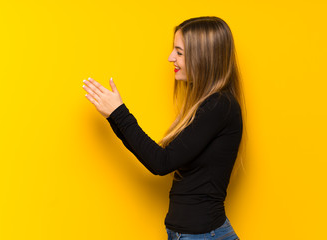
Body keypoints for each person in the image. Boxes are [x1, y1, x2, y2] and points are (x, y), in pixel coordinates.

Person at [82, 16, 243, 240]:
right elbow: (158, 157)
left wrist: (120, 113)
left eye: (179, 52)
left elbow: (161, 162)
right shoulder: (211, 105)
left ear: (203, 57)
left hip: (204, 235)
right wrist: (114, 115)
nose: (170, 58)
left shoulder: (219, 106)